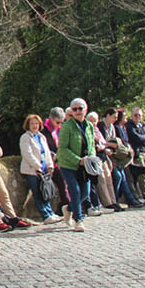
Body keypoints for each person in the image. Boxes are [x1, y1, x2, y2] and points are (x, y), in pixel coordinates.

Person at [56, 98, 95, 232]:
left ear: (86, 110)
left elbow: (92, 145)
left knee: (85, 192)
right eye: (75, 109)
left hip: (85, 165)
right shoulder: (67, 126)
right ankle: (78, 219)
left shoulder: (89, 126)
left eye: (80, 108)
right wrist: (78, 160)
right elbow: (62, 148)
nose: (78, 111)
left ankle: (68, 209)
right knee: (75, 191)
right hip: (69, 165)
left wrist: (91, 159)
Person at [98, 108, 144, 210]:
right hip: (106, 155)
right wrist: (110, 145)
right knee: (117, 176)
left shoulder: (112, 127)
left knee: (122, 176)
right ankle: (116, 200)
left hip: (114, 155)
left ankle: (122, 200)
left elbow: (115, 142)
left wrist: (112, 145)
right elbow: (103, 141)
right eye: (114, 117)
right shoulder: (101, 126)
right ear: (108, 116)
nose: (115, 119)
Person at [19, 114, 61, 224]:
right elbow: (27, 154)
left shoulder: (41, 137)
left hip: (43, 169)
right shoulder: (25, 137)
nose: (34, 126)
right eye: (32, 123)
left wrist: (50, 165)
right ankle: (45, 215)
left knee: (45, 192)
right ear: (28, 125)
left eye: (36, 123)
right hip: (32, 170)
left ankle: (50, 212)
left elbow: (46, 152)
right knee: (37, 193)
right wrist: (37, 166)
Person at [41, 107, 70, 212]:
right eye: (57, 122)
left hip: (62, 160)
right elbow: (44, 147)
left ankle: (65, 205)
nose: (59, 125)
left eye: (61, 123)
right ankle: (68, 207)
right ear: (51, 118)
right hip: (50, 162)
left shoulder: (60, 129)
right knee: (62, 184)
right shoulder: (43, 130)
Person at [86, 112, 115, 214]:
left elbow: (103, 143)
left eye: (95, 120)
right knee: (101, 180)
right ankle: (107, 202)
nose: (93, 123)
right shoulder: (88, 131)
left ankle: (113, 201)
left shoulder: (97, 130)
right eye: (91, 120)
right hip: (97, 158)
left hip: (103, 157)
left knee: (108, 179)